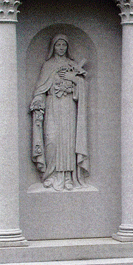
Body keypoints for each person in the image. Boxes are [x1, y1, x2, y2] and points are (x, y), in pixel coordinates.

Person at [30, 34, 89, 190]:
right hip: (52, 106)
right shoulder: (48, 66)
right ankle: (50, 175)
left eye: (64, 45)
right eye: (58, 45)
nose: (61, 48)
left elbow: (81, 86)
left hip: (68, 107)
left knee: (68, 141)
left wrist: (73, 78)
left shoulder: (72, 65)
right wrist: (38, 101)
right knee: (52, 141)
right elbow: (40, 88)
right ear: (53, 47)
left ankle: (68, 177)